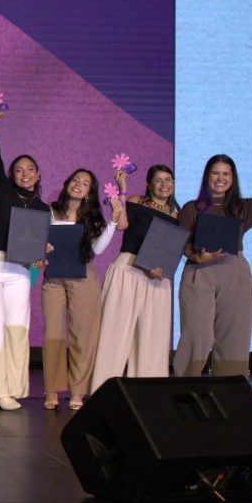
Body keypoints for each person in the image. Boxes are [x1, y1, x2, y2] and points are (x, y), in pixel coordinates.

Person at [175, 153, 252, 377]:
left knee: (234, 336)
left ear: (233, 178)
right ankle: (185, 385)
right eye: (215, 173)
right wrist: (198, 257)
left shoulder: (241, 207)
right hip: (199, 271)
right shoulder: (191, 208)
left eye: (226, 174)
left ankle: (230, 389)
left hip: (234, 272)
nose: (220, 178)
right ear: (207, 176)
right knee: (196, 334)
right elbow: (182, 245)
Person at [0, 105, 49, 411]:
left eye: (30, 169)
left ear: (38, 174)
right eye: (19, 170)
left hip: (19, 271)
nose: (24, 174)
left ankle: (14, 387)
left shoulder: (43, 209)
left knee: (17, 329)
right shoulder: (3, 191)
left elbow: (38, 247)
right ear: (11, 175)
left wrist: (40, 257)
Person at [40, 169, 125, 411]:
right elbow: (38, 239)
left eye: (85, 183)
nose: (78, 185)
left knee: (82, 336)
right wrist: (42, 247)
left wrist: (113, 222)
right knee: (53, 335)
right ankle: (52, 390)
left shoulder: (92, 218)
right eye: (75, 180)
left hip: (83, 276)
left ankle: (77, 391)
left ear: (89, 192)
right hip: (54, 277)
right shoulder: (50, 211)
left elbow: (97, 250)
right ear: (67, 184)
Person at [91, 165, 180, 391]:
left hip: (158, 279)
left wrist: (161, 270)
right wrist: (122, 189)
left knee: (152, 339)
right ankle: (102, 392)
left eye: (168, 179)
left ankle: (148, 394)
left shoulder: (177, 215)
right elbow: (121, 225)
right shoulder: (136, 201)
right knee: (114, 333)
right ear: (149, 184)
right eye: (158, 180)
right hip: (127, 270)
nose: (164, 184)